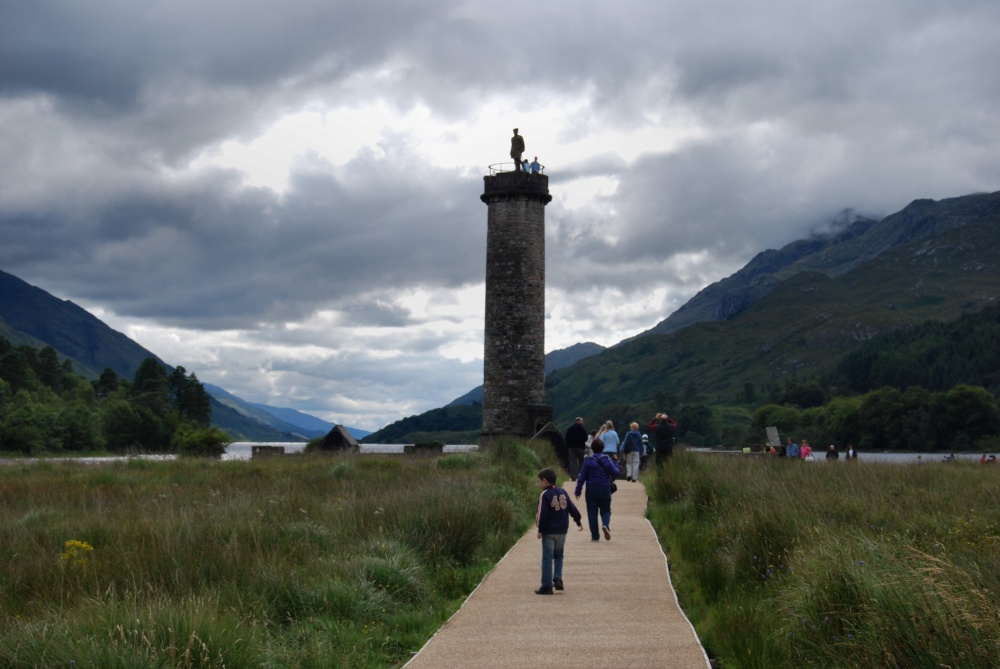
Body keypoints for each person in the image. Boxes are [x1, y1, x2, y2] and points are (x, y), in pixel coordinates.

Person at [535, 468, 583, 595]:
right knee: (559, 555)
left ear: (545, 481)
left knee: (547, 557)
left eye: (540, 481)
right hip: (562, 530)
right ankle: (558, 578)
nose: (539, 483)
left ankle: (546, 585)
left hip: (549, 531)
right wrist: (578, 520)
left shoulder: (545, 495)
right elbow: (571, 507)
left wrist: (540, 529)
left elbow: (542, 514)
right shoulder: (563, 492)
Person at [574, 438, 619, 542]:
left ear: (592, 449)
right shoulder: (607, 460)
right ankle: (605, 525)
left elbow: (581, 477)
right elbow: (616, 473)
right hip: (605, 488)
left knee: (592, 513)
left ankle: (595, 536)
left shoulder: (587, 461)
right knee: (606, 510)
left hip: (591, 489)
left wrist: (578, 491)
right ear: (603, 448)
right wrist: (615, 462)